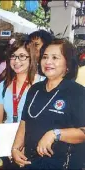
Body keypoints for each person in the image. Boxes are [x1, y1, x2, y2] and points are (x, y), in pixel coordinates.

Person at [12, 38, 85, 169]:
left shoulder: (77, 92)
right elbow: (24, 122)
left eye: (55, 57)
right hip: (31, 162)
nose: (48, 62)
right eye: (45, 57)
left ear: (68, 64)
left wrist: (55, 134)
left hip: (63, 164)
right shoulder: (35, 89)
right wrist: (16, 148)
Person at [0, 37, 44, 169]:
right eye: (13, 56)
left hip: (35, 145)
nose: (16, 61)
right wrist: (9, 146)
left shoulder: (43, 84)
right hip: (8, 144)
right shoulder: (2, 86)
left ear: (31, 57)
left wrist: (23, 146)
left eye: (22, 56)